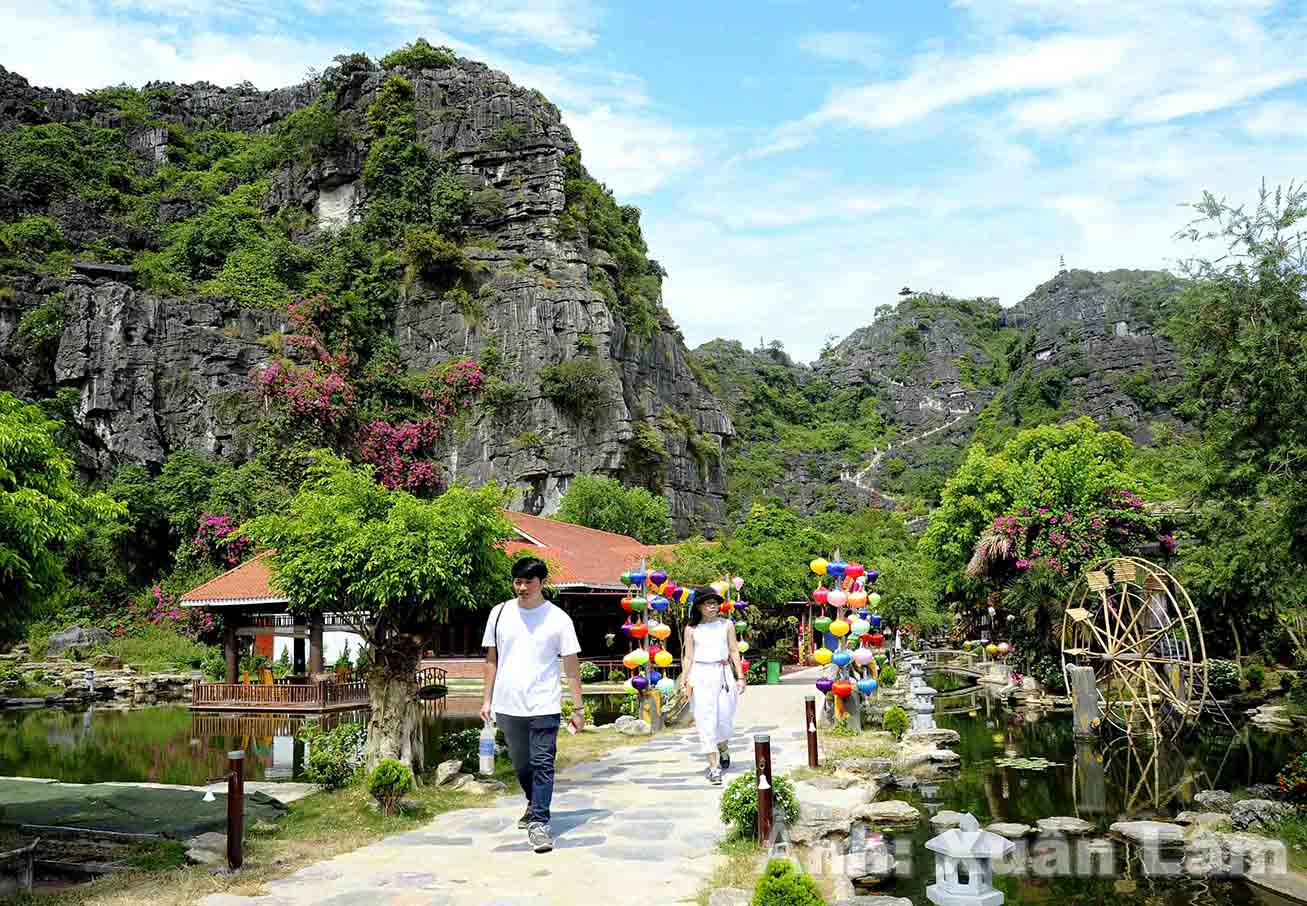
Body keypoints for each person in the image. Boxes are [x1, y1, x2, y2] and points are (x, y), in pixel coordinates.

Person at [481, 557, 584, 854]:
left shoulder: (558, 619)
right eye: (517, 581)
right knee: (521, 763)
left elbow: (572, 667)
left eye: (528, 582)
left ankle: (539, 822)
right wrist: (486, 699)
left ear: (541, 582)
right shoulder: (499, 613)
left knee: (542, 762)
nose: (522, 587)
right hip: (508, 703)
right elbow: (491, 660)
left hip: (544, 703)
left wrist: (578, 708)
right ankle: (533, 801)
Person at [678, 586, 746, 785]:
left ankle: (723, 746)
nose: (713, 606)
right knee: (706, 719)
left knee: (724, 718)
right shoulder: (691, 629)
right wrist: (684, 680)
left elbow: (734, 651)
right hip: (701, 675)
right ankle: (713, 766)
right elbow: (688, 657)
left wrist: (740, 677)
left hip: (723, 674)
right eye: (709, 603)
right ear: (699, 606)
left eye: (715, 602)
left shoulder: (726, 625)